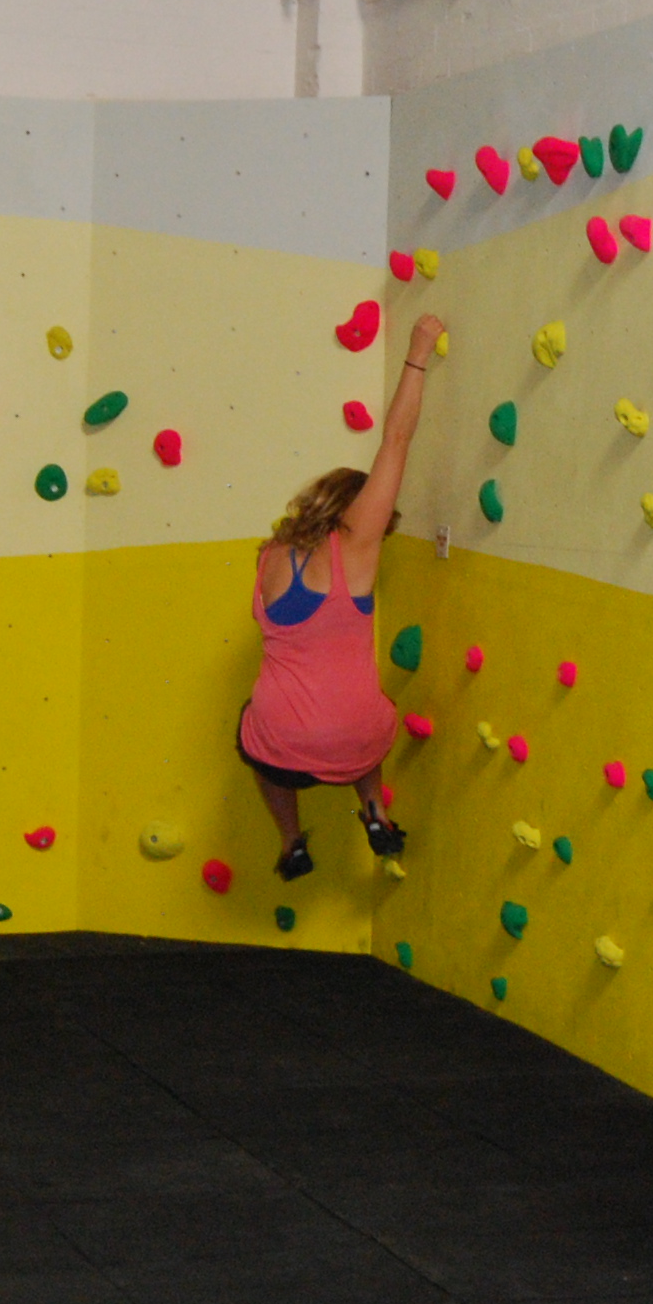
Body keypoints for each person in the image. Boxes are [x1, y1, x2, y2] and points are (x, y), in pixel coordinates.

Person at [238, 311, 447, 881]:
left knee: (254, 733)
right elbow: (397, 440)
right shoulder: (353, 551)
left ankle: (290, 839)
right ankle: (374, 810)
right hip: (356, 733)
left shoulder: (268, 557)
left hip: (283, 737)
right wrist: (419, 350)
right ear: (360, 512)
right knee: (363, 726)